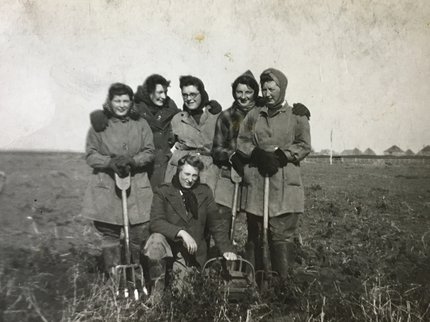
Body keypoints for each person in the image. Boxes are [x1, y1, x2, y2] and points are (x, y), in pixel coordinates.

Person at [236, 68, 311, 279]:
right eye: (264, 89)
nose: (267, 93)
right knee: (256, 233)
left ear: (282, 88)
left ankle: (283, 287)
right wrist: (256, 153)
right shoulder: (254, 114)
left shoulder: (297, 115)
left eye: (272, 89)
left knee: (281, 235)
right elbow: (242, 140)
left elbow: (304, 145)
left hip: (285, 185)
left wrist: (283, 156)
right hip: (258, 185)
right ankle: (254, 283)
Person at [82, 83, 155, 277]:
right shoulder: (99, 126)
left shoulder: (141, 124)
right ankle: (115, 278)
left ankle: (136, 276)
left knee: (139, 233)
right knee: (110, 235)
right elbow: (90, 155)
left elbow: (149, 151)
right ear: (110, 102)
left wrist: (133, 160)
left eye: (125, 101)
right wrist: (109, 162)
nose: (121, 105)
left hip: (136, 186)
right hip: (107, 186)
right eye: (117, 101)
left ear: (131, 102)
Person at [143, 154, 236, 290]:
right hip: (169, 247)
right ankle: (157, 293)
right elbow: (156, 222)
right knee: (155, 241)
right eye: (186, 174)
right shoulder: (163, 191)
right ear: (178, 171)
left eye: (194, 176)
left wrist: (227, 249)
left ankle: (179, 283)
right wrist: (181, 233)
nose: (190, 180)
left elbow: (216, 224)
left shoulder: (204, 192)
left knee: (182, 295)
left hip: (191, 253)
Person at [90, 74, 180, 188]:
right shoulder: (136, 105)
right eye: (160, 92)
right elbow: (114, 110)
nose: (164, 96)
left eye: (165, 92)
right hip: (139, 165)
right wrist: (99, 116)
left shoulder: (169, 106)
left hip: (163, 164)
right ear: (149, 91)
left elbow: (183, 118)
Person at [164, 75, 222, 192]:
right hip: (181, 172)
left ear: (202, 93)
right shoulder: (177, 119)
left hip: (207, 173)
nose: (189, 98)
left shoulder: (215, 116)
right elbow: (166, 144)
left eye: (193, 94)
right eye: (185, 95)